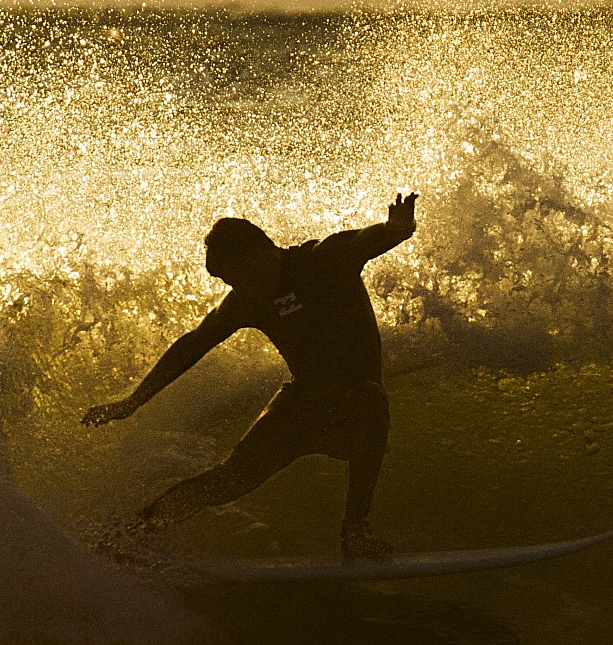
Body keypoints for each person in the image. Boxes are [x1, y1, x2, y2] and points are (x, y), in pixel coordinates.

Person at [83, 192, 418, 561]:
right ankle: (133, 535)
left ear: (260, 255)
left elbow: (364, 241)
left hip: (355, 407)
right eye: (228, 282)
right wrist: (133, 401)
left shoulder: (322, 260)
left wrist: (396, 228)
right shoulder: (249, 300)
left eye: (235, 277)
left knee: (369, 400)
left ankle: (355, 530)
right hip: (303, 403)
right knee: (229, 479)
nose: (234, 289)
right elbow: (193, 345)